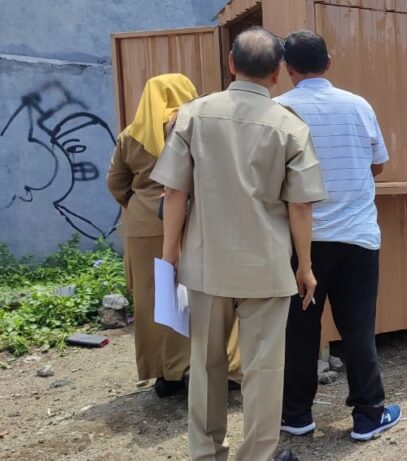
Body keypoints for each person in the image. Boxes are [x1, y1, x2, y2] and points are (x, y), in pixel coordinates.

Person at [151, 27, 327, 461]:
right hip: (267, 268)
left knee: (205, 363)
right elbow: (301, 205)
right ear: (277, 73)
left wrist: (170, 257)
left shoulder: (193, 116)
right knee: (264, 369)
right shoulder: (290, 126)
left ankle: (206, 452)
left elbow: (174, 192)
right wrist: (305, 266)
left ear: (231, 63)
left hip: (206, 264)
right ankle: (257, 456)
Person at [273, 30, 401, 442]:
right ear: (328, 63)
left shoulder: (278, 110)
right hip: (356, 238)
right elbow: (378, 164)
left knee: (299, 331)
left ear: (287, 68)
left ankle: (295, 415)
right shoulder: (358, 105)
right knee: (358, 329)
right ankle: (368, 414)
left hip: (300, 243)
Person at [106, 74, 195, 397]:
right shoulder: (193, 128)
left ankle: (164, 375)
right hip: (191, 220)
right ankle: (197, 369)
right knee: (195, 295)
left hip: (143, 226)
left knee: (152, 300)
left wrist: (138, 204)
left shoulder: (130, 135)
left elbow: (116, 182)